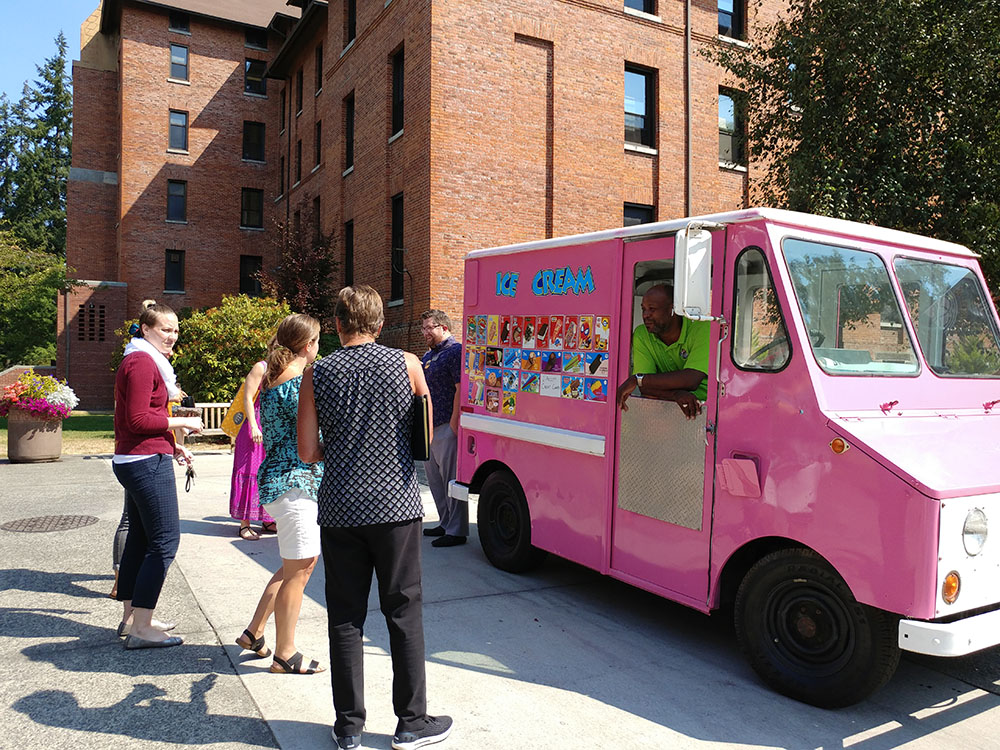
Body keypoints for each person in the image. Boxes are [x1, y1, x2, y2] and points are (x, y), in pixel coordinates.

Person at [298, 285, 453, 750]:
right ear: (380, 323)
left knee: (344, 617)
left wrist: (342, 451)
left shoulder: (317, 373)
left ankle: (348, 728)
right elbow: (423, 436)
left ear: (339, 323)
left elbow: (308, 451)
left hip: (341, 507)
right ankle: (411, 723)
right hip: (395, 507)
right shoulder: (407, 364)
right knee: (403, 611)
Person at [234, 314, 326, 675]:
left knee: (294, 566)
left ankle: (255, 633)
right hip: (294, 484)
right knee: (300, 571)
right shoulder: (297, 383)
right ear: (308, 346)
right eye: (318, 341)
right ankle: (285, 654)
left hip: (280, 483)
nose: (319, 348)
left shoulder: (279, 377)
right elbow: (315, 438)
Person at [112, 301, 203, 649]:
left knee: (140, 540)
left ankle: (133, 617)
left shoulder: (144, 360)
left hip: (140, 457)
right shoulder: (140, 363)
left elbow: (137, 421)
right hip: (143, 462)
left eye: (176, 330)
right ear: (146, 329)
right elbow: (136, 420)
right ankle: (142, 628)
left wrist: (173, 444)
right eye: (165, 329)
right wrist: (181, 422)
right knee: (165, 541)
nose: (172, 336)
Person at [615, 283, 711, 420]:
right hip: (667, 411)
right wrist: (675, 394)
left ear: (673, 310)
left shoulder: (702, 329)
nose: (646, 315)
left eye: (652, 309)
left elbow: (691, 379)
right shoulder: (642, 334)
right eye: (644, 309)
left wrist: (638, 379)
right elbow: (645, 388)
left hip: (706, 410)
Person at [418, 310, 467, 548]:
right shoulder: (429, 356)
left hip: (446, 425)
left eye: (430, 327)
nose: (425, 332)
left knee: (450, 480)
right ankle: (445, 522)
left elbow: (461, 388)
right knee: (435, 480)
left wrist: (454, 423)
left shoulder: (454, 352)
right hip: (430, 427)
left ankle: (457, 530)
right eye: (423, 328)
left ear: (444, 328)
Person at [229, 343, 277, 541]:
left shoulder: (282, 371)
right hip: (254, 425)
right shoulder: (261, 367)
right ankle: (244, 523)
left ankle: (267, 519)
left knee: (267, 473)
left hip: (270, 426)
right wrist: (254, 426)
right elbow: (247, 398)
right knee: (250, 471)